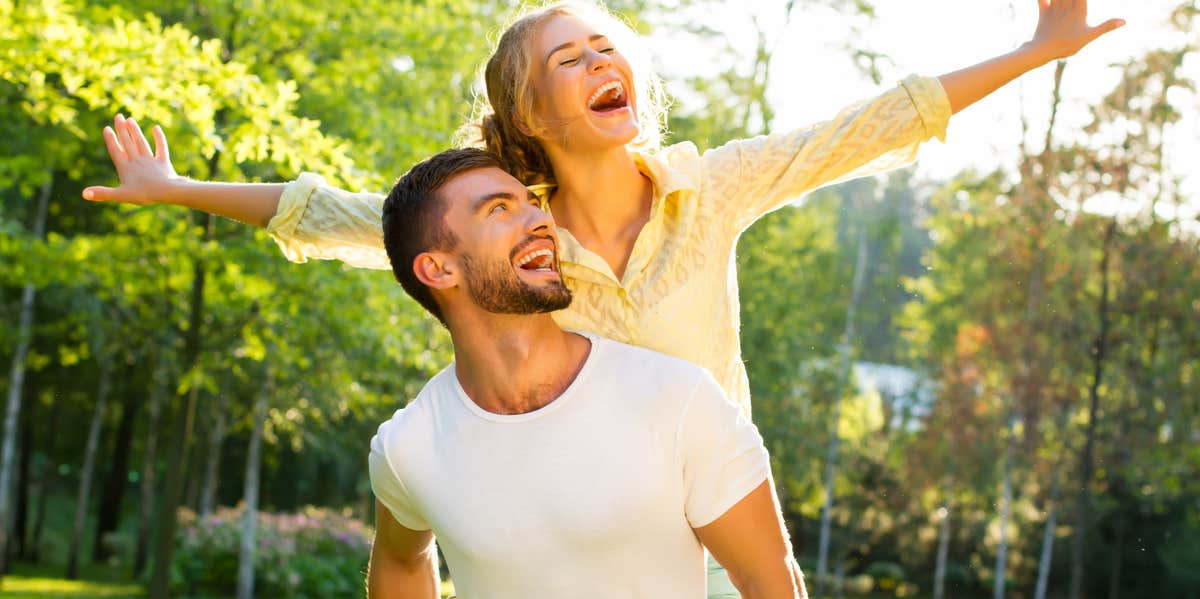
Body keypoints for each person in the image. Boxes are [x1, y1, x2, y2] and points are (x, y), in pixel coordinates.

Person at [84, 1, 1122, 594]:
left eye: (606, 47)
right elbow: (334, 214)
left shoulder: (706, 188)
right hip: (571, 531)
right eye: (566, 57)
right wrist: (176, 189)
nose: (599, 60)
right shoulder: (505, 229)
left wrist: (1039, 51)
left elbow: (873, 123)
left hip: (711, 529)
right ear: (527, 111)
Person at [365, 147, 803, 598]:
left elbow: (768, 581)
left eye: (533, 204)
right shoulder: (408, 448)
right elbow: (400, 561)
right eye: (499, 209)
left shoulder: (678, 401)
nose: (540, 220)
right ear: (437, 269)